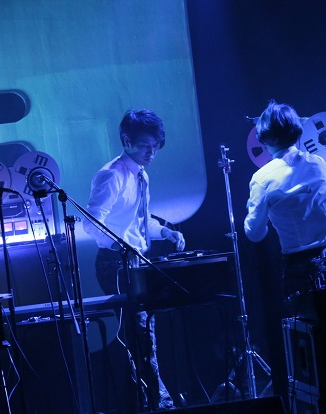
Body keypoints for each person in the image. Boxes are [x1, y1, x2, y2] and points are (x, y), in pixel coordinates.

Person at [83, 109, 185, 412]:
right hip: (114, 263)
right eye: (145, 146)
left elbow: (139, 221)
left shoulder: (141, 174)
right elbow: (91, 222)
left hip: (136, 261)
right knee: (139, 333)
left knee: (144, 332)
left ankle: (150, 399)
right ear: (126, 141)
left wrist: (164, 230)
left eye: (155, 146)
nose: (151, 153)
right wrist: (119, 244)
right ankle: (157, 401)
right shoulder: (112, 175)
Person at [244, 99, 326, 300]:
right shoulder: (319, 163)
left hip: (300, 265)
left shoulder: (262, 179)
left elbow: (254, 233)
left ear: (266, 137)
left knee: (306, 319)